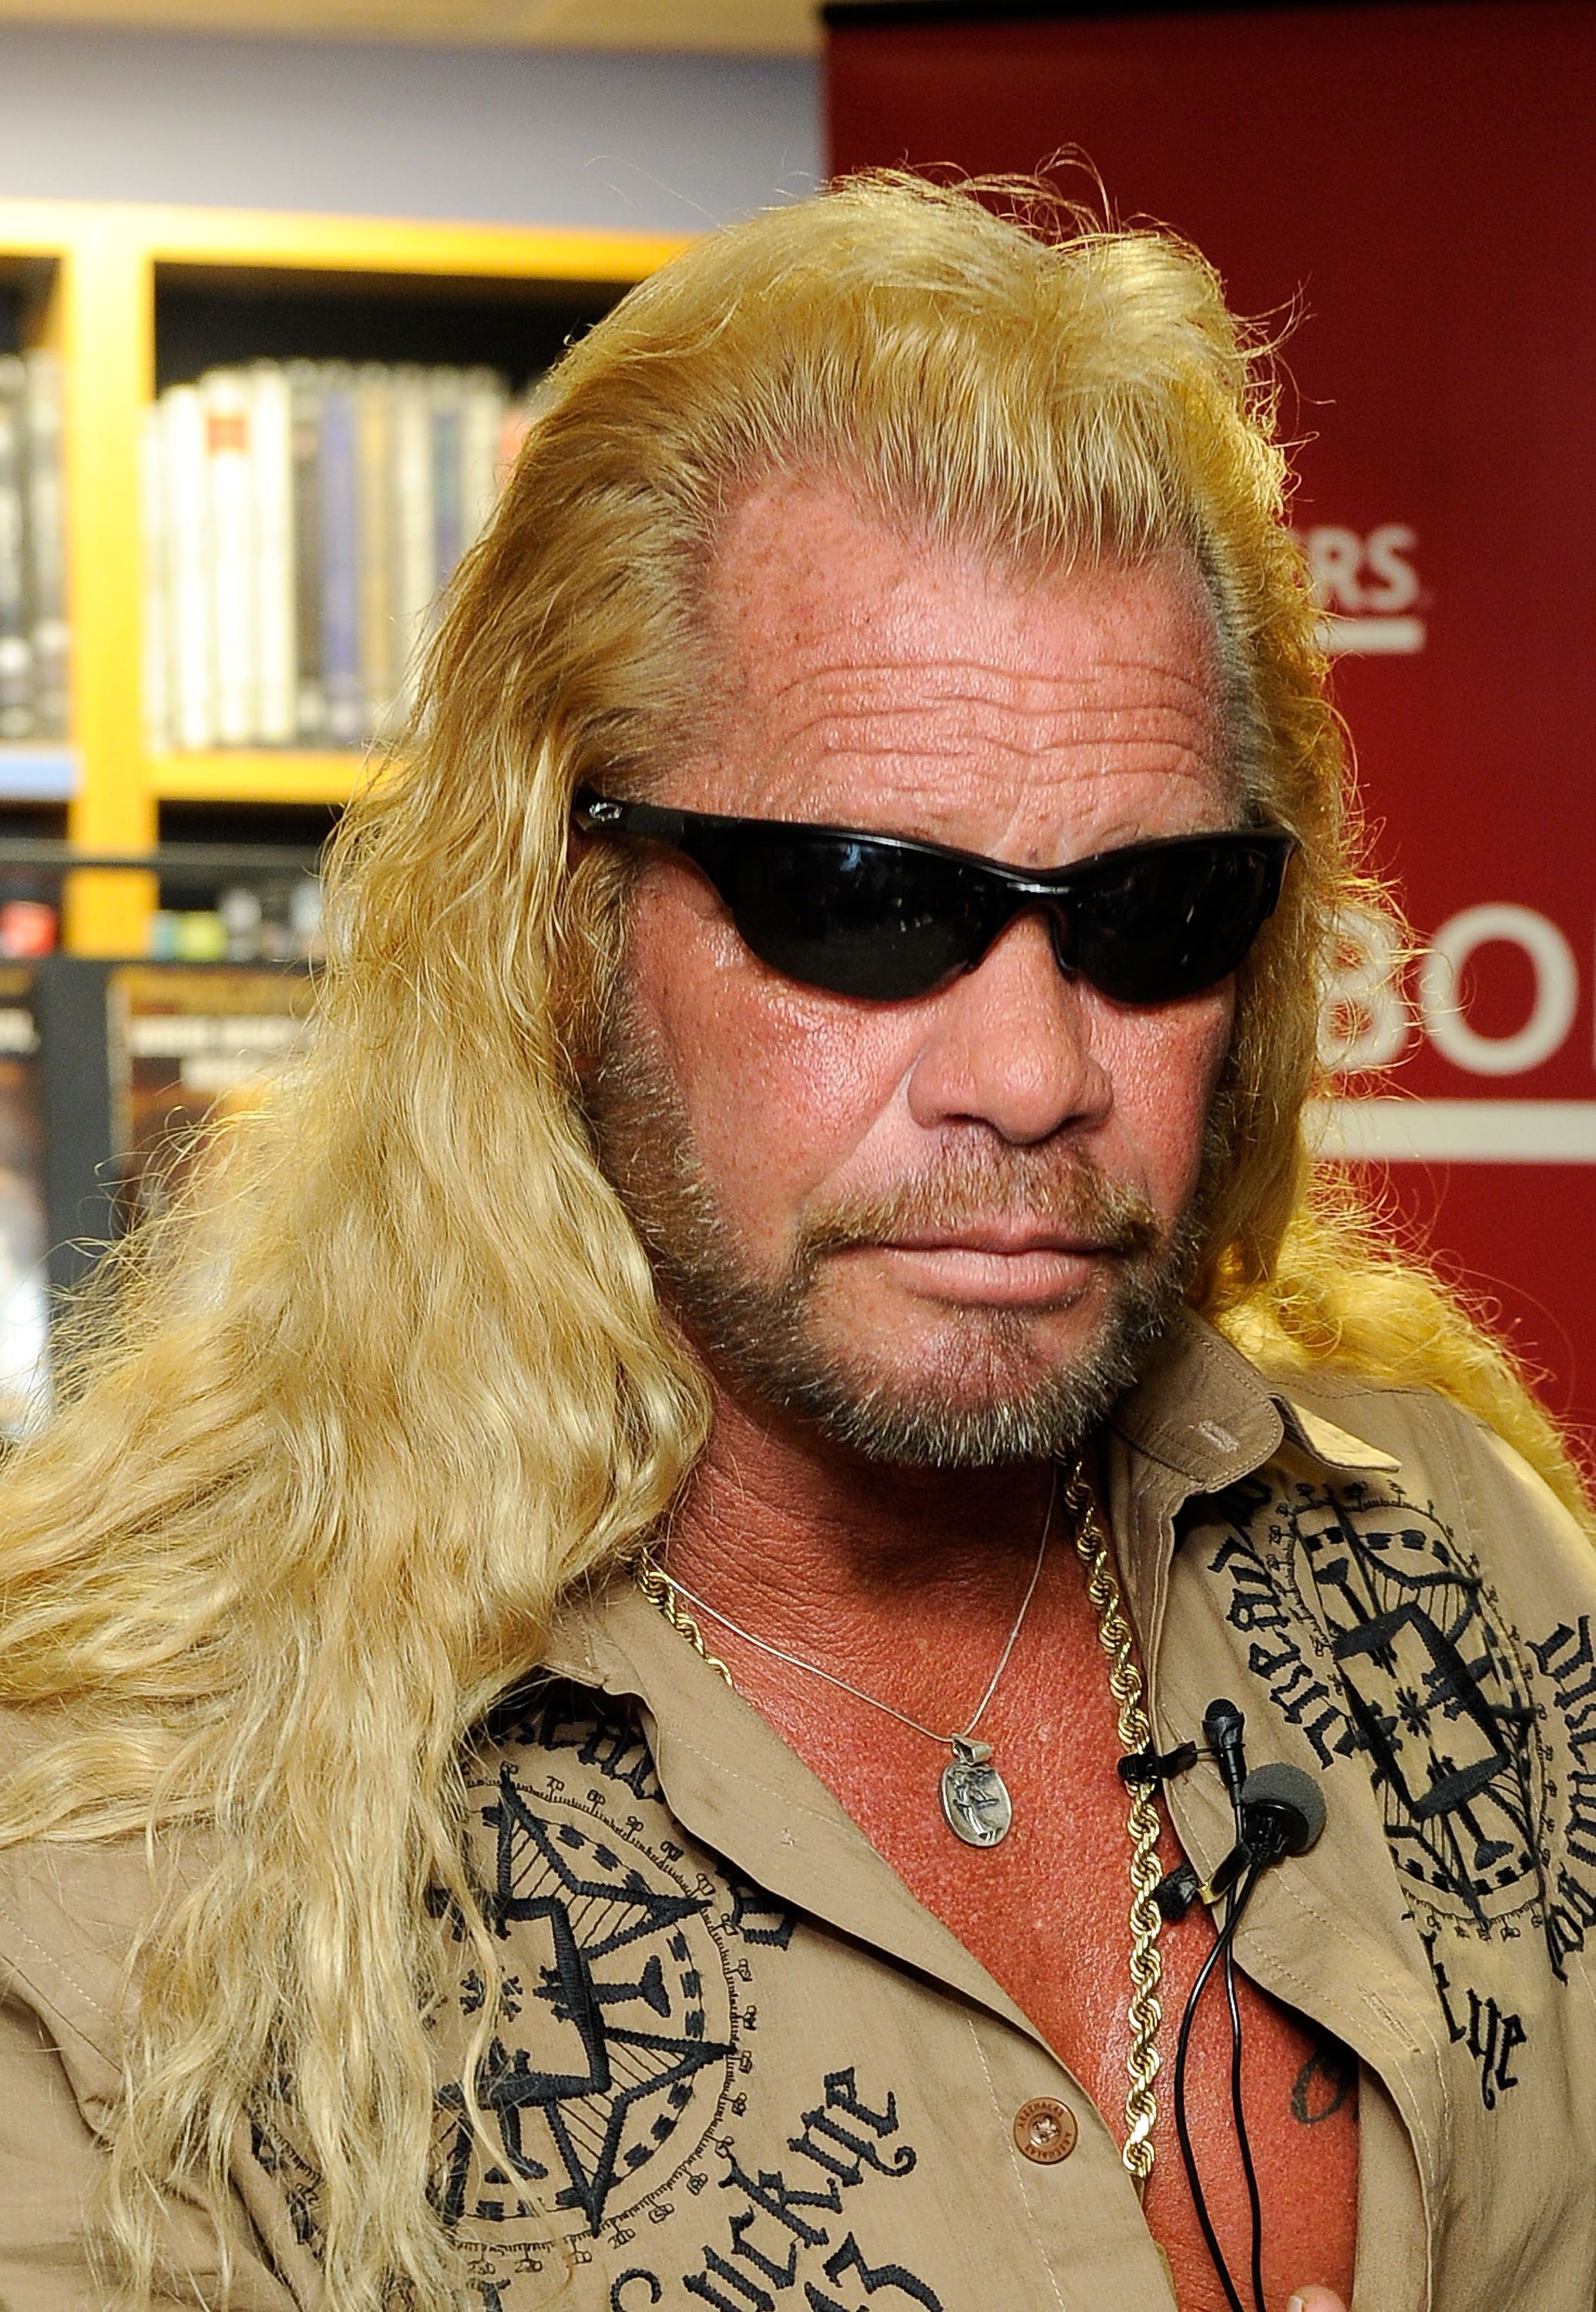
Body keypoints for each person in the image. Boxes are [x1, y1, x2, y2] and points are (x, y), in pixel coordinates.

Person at [0, 176, 1592, 2312]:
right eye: (867, 901)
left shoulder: (1466, 1562)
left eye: (1153, 918)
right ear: (562, 923)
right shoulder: (134, 1837)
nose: (1032, 1074)